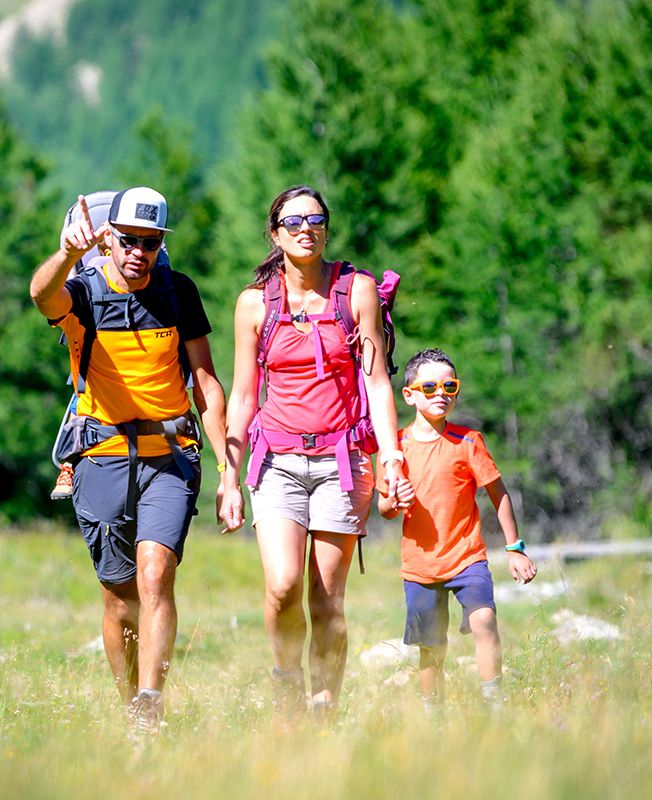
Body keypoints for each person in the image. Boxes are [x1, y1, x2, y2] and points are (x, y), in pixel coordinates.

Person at [29, 186, 229, 737]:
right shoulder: (84, 291)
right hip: (101, 456)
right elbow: (42, 297)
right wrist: (67, 254)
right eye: (128, 240)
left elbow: (206, 382)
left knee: (156, 574)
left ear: (162, 244)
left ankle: (149, 706)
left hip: (171, 456)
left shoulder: (178, 291)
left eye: (151, 242)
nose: (139, 251)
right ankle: (130, 708)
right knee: (120, 600)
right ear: (109, 239)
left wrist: (229, 469)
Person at [218, 185, 410, 720]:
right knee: (283, 586)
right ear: (275, 233)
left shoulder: (356, 291)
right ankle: (286, 684)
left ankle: (324, 709)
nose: (307, 228)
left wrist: (392, 457)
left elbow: (376, 382)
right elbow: (243, 395)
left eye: (316, 219)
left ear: (326, 227)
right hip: (276, 461)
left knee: (327, 599)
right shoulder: (254, 303)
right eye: (294, 221)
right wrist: (229, 476)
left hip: (342, 464)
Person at [377, 348, 536, 708]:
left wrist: (515, 549)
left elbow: (499, 493)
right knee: (431, 646)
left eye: (450, 386)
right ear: (409, 395)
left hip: (467, 557)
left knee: (484, 620)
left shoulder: (468, 442)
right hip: (420, 566)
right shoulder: (394, 448)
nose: (441, 394)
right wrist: (395, 501)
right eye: (430, 387)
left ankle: (494, 705)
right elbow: (384, 509)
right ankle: (434, 715)